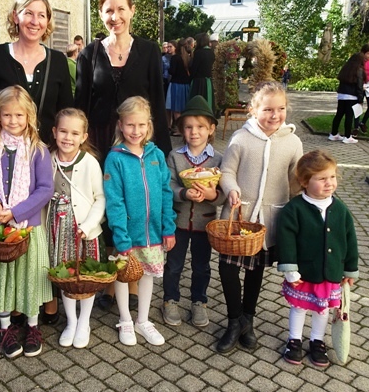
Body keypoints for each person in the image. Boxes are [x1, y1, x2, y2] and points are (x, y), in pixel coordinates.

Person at [75, 0, 172, 310]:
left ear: (131, 11)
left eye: (120, 9)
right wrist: (80, 149)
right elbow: (81, 103)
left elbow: (157, 99)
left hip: (136, 144)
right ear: (100, 15)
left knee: (132, 207)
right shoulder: (89, 53)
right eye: (107, 11)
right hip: (100, 142)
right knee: (103, 208)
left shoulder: (147, 50)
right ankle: (107, 277)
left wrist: (159, 148)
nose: (114, 16)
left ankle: (131, 279)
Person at [217, 82, 303, 354]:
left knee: (255, 271)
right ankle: (233, 321)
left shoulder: (292, 141)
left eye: (280, 109)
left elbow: (297, 179)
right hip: (238, 216)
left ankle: (248, 321)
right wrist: (231, 189)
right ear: (253, 110)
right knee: (228, 268)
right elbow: (227, 171)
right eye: (267, 109)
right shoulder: (241, 138)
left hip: (269, 220)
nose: (275, 115)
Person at [0, 86, 54, 358]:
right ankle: (5, 327)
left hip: (27, 228)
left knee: (29, 278)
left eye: (19, 115)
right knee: (4, 278)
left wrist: (17, 212)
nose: (13, 121)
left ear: (29, 115)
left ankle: (33, 326)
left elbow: (45, 189)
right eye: (7, 115)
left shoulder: (38, 150)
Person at [103, 96, 177, 346]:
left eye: (141, 125)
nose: (136, 131)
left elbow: (166, 192)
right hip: (128, 235)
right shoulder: (115, 158)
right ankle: (125, 319)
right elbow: (114, 201)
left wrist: (168, 227)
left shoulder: (156, 154)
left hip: (154, 233)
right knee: (124, 276)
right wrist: (120, 238)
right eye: (130, 125)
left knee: (147, 275)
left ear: (149, 126)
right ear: (121, 125)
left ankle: (143, 320)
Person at [277, 150, 358, 367]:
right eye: (322, 179)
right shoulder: (294, 209)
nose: (329, 183)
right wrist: (290, 269)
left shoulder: (340, 210)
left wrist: (350, 269)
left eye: (332, 177)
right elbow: (286, 240)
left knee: (323, 308)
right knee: (299, 306)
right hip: (303, 274)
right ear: (304, 181)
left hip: (330, 272)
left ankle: (317, 340)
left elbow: (350, 240)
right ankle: (294, 340)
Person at [0, 0, 73, 147]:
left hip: (46, 156)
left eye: (41, 15)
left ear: (47, 20)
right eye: (28, 13)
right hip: (5, 156)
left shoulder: (58, 61)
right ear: (15, 16)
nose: (35, 21)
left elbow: (66, 112)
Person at [163, 96, 225, 328]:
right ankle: (170, 299)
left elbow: (224, 193)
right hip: (178, 222)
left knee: (202, 266)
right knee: (174, 265)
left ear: (211, 129)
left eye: (200, 127)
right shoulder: (175, 157)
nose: (194, 132)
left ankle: (199, 301)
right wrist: (183, 193)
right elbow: (167, 185)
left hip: (205, 223)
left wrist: (212, 196)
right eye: (188, 127)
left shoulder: (218, 159)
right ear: (181, 130)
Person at [48, 108, 106, 349]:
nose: (67, 138)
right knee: (66, 275)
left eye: (74, 133)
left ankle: (84, 322)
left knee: (86, 277)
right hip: (57, 228)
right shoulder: (48, 158)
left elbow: (100, 198)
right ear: (54, 132)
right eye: (63, 131)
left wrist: (89, 224)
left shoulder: (90, 162)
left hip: (84, 230)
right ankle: (71, 321)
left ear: (83, 136)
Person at [329, 53, 365, 145]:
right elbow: (359, 86)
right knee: (349, 116)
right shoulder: (359, 70)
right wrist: (361, 99)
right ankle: (348, 136)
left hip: (342, 95)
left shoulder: (346, 69)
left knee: (339, 114)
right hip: (352, 96)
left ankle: (333, 133)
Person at [167, 38, 192, 134]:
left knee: (176, 110)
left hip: (176, 85)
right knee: (184, 108)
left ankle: (179, 129)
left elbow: (172, 71)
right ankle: (185, 128)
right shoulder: (188, 58)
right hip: (186, 85)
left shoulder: (175, 58)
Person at [188, 32, 217, 115]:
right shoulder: (211, 52)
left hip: (198, 82)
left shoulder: (198, 53)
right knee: (208, 102)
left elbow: (194, 69)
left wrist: (190, 79)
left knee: (197, 102)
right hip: (208, 81)